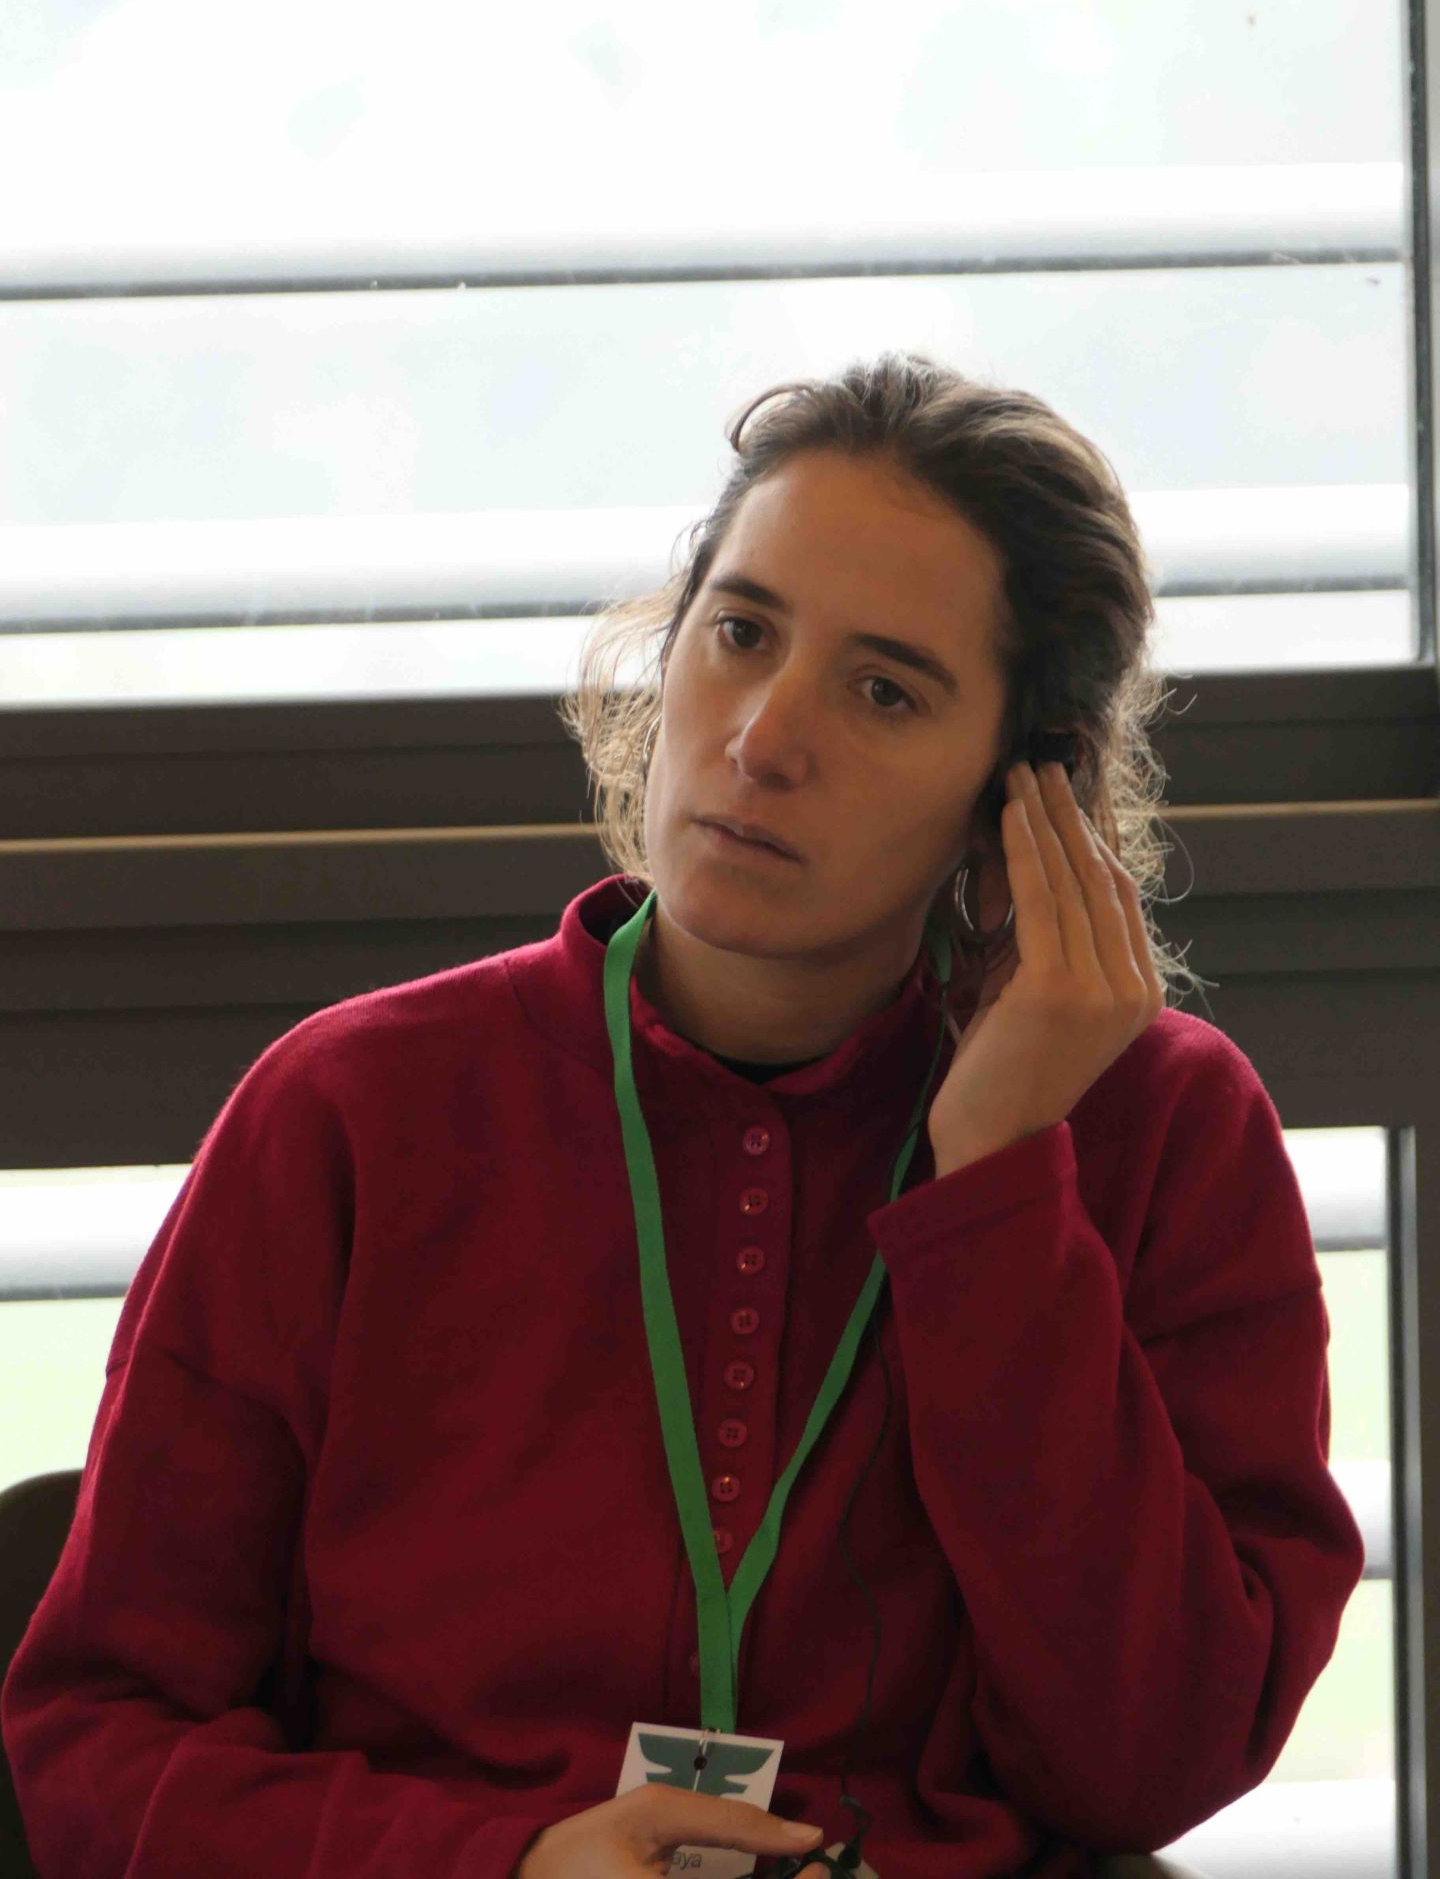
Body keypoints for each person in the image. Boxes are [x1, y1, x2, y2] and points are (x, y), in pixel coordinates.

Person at [2, 352, 1366, 1879]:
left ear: (1019, 790)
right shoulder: (350, 1112)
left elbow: (1148, 1762)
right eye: (741, 631)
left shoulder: (1162, 1131)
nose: (764, 737)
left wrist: (994, 1189)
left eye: (885, 690)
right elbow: (97, 1741)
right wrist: (508, 1867)